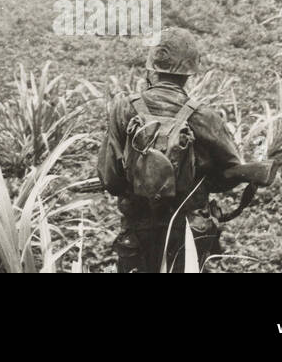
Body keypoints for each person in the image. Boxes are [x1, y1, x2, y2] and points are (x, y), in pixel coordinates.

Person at [96, 28, 245, 272]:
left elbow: (110, 179)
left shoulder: (124, 109)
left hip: (138, 231)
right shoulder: (203, 117)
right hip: (188, 233)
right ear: (190, 72)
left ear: (151, 67)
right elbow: (232, 171)